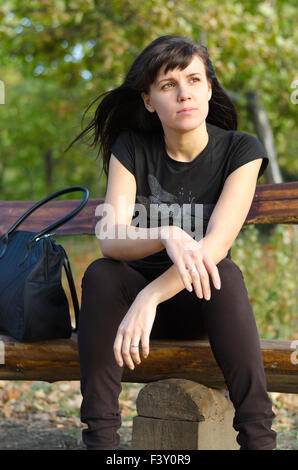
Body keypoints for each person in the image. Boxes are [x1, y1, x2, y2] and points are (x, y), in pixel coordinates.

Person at [66, 35, 277, 450]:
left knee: (225, 273)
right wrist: (167, 233)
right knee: (102, 274)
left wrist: (150, 296)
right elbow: (110, 238)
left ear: (209, 89)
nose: (185, 94)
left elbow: (215, 245)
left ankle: (259, 441)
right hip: (130, 321)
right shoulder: (131, 148)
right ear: (149, 100)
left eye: (195, 80)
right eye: (168, 85)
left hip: (202, 306)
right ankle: (103, 445)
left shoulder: (240, 150)